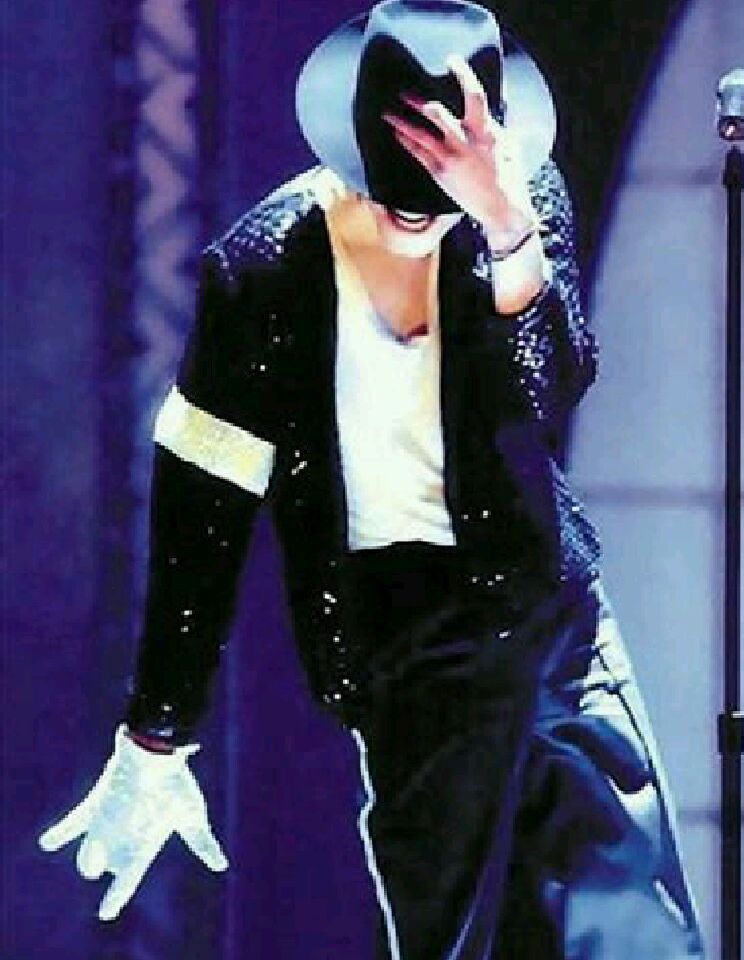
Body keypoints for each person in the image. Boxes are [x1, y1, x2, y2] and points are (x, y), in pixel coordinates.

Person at [37, 2, 706, 957]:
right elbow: (203, 514)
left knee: (639, 924)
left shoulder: (520, 204)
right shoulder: (267, 271)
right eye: (396, 190)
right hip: (409, 642)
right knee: (454, 936)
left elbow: (551, 390)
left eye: (436, 195)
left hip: (551, 608)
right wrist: (158, 731)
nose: (416, 216)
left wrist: (506, 226)